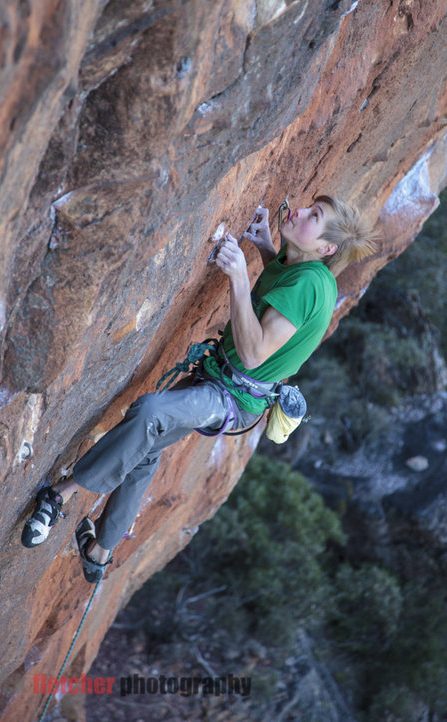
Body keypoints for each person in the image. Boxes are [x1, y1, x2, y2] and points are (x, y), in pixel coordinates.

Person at [22, 195, 377, 581]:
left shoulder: (309, 284)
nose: (301, 210)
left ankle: (61, 493)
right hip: (223, 378)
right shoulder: (306, 271)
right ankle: (99, 552)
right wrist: (263, 248)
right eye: (310, 206)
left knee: (150, 413)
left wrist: (239, 277)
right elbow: (281, 297)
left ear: (326, 248)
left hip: (230, 397)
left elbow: (255, 353)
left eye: (314, 216)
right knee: (145, 450)